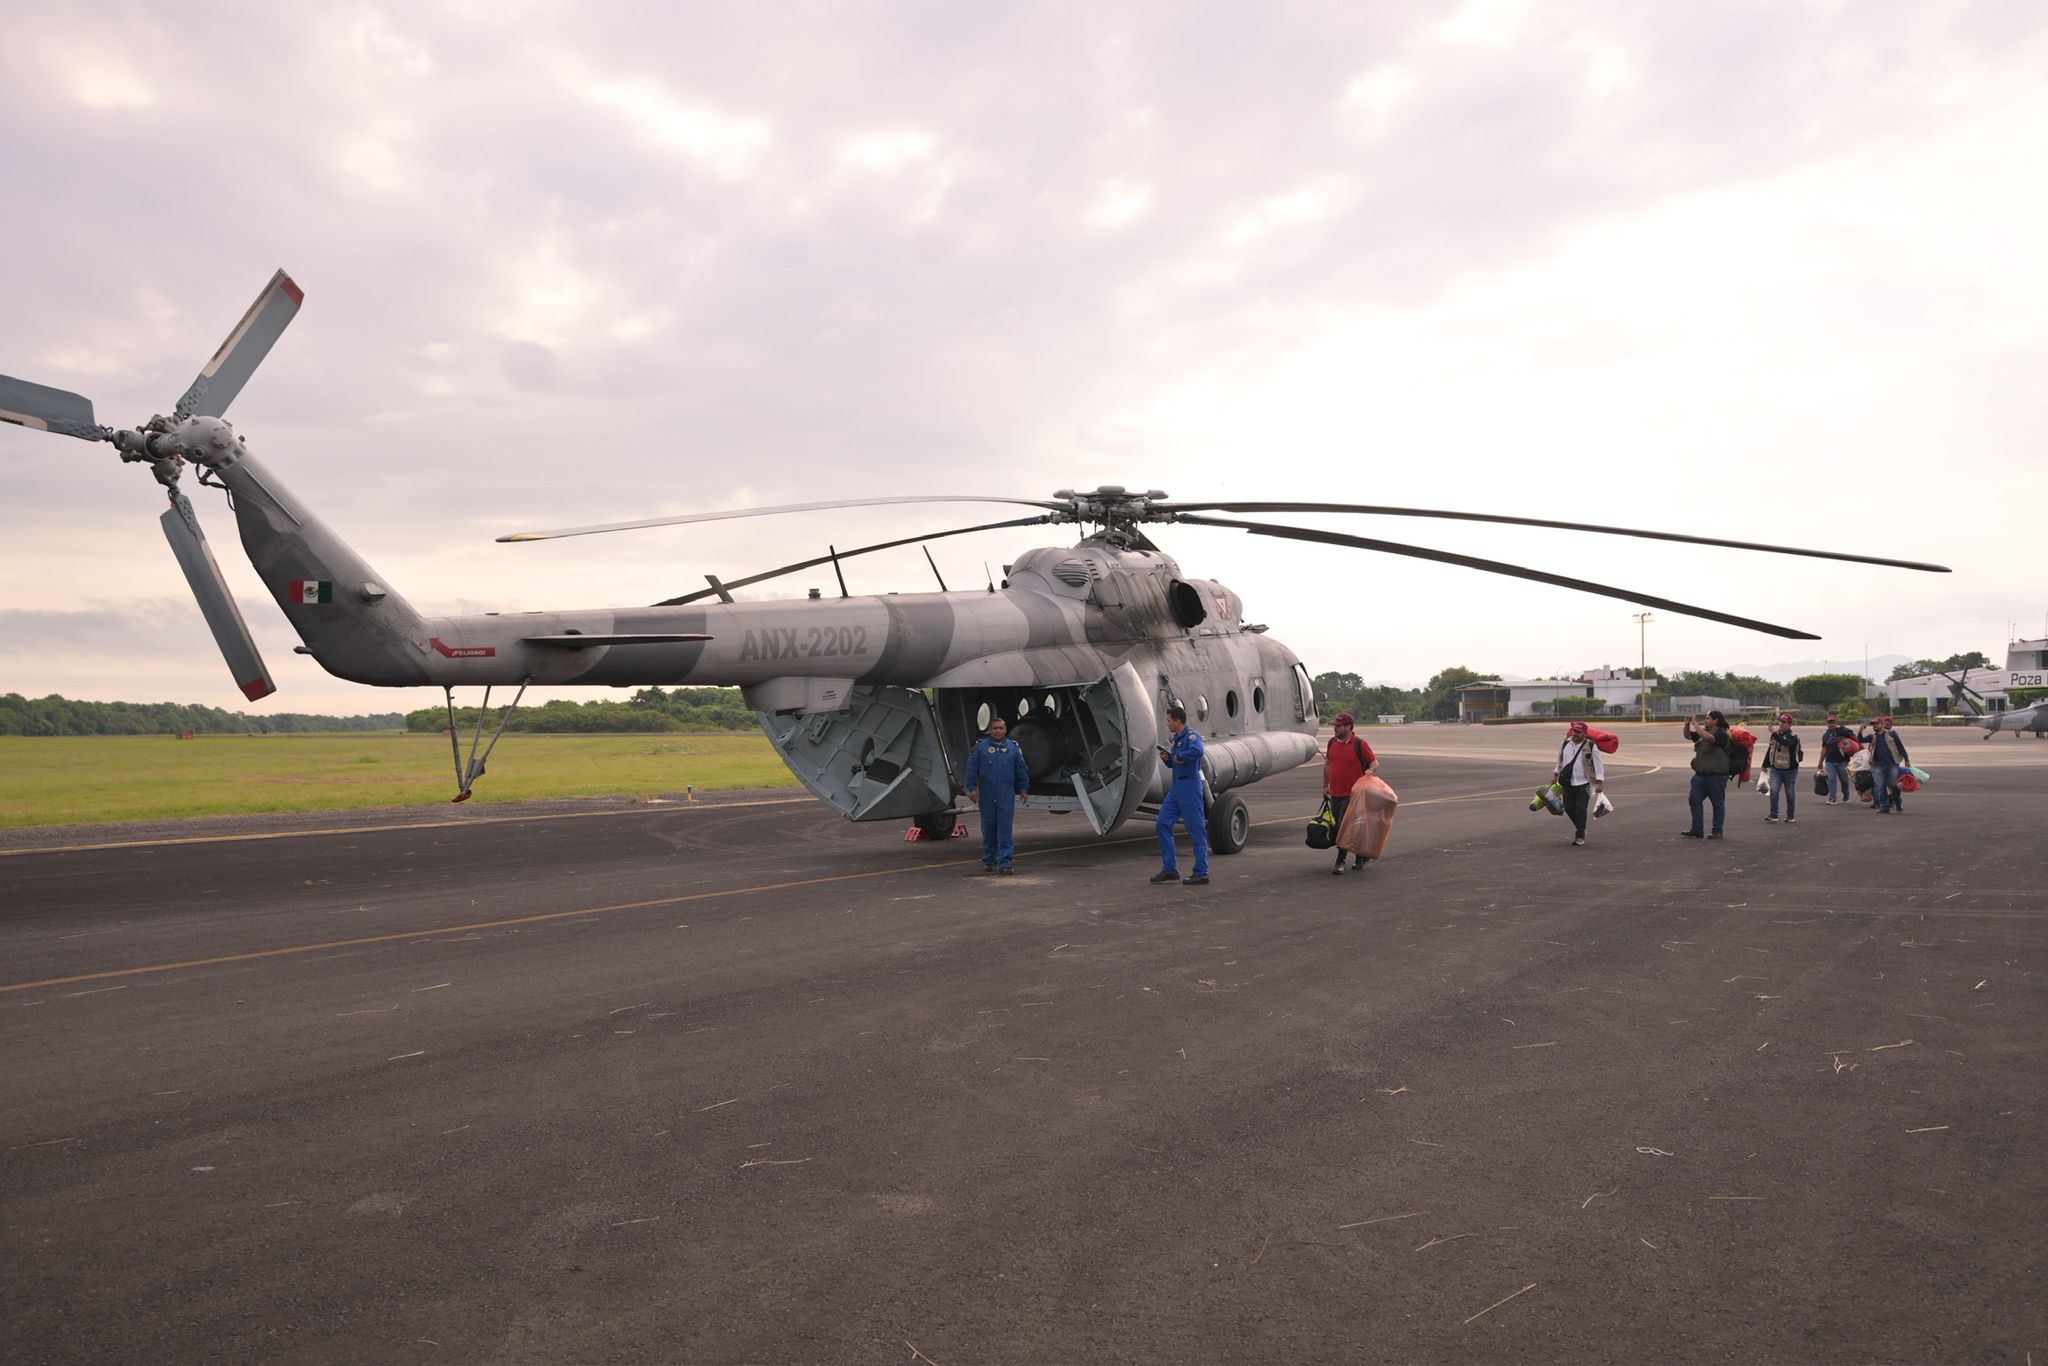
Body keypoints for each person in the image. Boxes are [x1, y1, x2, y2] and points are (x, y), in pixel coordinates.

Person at [1151, 705, 1210, 886]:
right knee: (1162, 823)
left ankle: (1201, 872)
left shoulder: (1191, 736)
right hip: (1177, 787)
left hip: (1189, 787)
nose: (1167, 723)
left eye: (1169, 720)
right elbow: (1176, 763)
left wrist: (1181, 756)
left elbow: (1198, 751)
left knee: (1196, 829)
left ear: (1178, 721)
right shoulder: (1177, 739)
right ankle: (1170, 868)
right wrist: (1168, 760)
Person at [963, 715, 1030, 874]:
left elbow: (1021, 769)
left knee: (1005, 827)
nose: (998, 731)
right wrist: (971, 788)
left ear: (1005, 730)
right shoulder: (981, 748)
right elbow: (972, 768)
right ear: (990, 730)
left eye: (1001, 728)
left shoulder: (1013, 748)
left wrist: (1023, 788)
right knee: (988, 827)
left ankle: (1005, 862)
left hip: (1005, 793)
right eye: (995, 728)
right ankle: (989, 859)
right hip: (987, 793)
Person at [1322, 711, 1379, 874]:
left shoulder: (1359, 744)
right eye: (1335, 726)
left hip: (1353, 794)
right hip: (1335, 793)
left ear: (1348, 727)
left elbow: (1374, 762)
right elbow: (1328, 764)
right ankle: (1361, 856)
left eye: (1338, 726)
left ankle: (1340, 861)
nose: (1335, 728)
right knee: (1342, 828)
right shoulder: (1332, 742)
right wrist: (1325, 786)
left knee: (1343, 828)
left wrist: (1370, 770)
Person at [1680, 710, 1735, 839]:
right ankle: (1697, 829)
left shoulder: (1722, 734)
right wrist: (1687, 723)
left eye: (1708, 718)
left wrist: (1695, 723)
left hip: (1717, 775)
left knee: (1717, 804)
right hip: (1700, 774)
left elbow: (1709, 738)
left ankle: (1717, 831)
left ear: (1715, 720)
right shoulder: (1703, 732)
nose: (1706, 720)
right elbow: (1688, 735)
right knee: (1694, 800)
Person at [1553, 719, 1607, 847]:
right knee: (1569, 808)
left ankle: (1580, 834)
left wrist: (1600, 782)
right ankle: (1581, 827)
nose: (1575, 734)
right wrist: (1555, 774)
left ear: (1585, 734)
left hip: (1584, 783)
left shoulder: (1591, 746)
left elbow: (1598, 764)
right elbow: (1560, 761)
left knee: (1581, 809)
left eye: (1578, 732)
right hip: (1568, 782)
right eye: (1574, 731)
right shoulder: (1565, 743)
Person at [1861, 714, 1912, 815]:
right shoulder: (1872, 737)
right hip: (1877, 765)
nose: (1875, 725)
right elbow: (1860, 740)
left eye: (1876, 723)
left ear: (1882, 724)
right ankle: (1884, 806)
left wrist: (1906, 759)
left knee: (1892, 784)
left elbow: (1900, 746)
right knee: (1881, 786)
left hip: (1892, 764)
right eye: (1873, 724)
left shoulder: (1892, 734)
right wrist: (1860, 730)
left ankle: (1897, 801)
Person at [1760, 711, 1804, 824]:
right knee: (1774, 790)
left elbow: (1787, 743)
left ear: (1790, 724)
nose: (1781, 723)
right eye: (1780, 721)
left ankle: (1790, 815)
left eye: (1784, 722)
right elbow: (1770, 749)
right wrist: (1765, 764)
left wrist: (1774, 733)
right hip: (1776, 768)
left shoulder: (1793, 736)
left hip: (1790, 770)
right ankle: (1773, 814)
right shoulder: (1775, 735)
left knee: (1789, 793)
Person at [1818, 712, 1855, 804]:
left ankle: (1846, 795)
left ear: (1836, 722)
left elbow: (1853, 739)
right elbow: (1824, 749)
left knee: (1844, 779)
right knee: (1831, 779)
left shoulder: (1842, 732)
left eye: (1833, 722)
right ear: (1827, 723)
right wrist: (1820, 762)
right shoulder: (1826, 736)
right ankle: (1832, 798)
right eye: (1829, 722)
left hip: (1842, 761)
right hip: (1830, 761)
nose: (1831, 724)